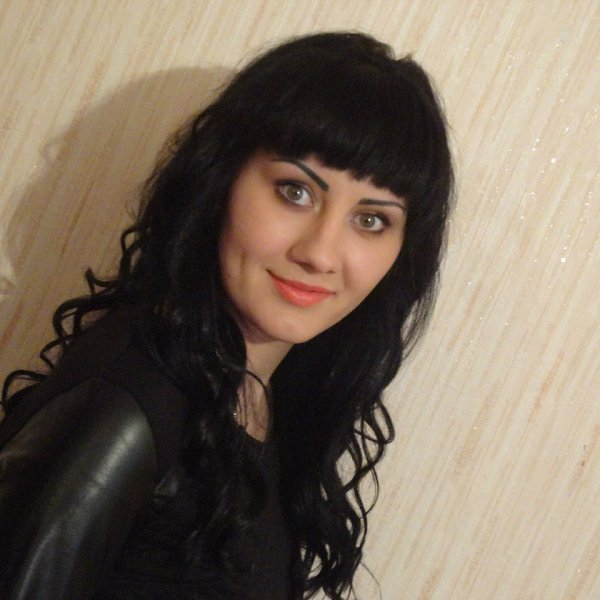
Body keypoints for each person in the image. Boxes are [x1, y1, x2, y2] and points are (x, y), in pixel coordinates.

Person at [0, 32, 453, 599]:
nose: (319, 253)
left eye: (370, 220)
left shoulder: (269, 400)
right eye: (295, 191)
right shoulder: (128, 406)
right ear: (221, 179)